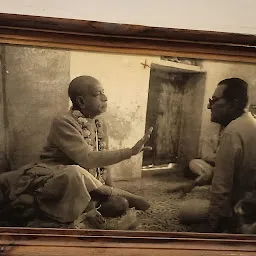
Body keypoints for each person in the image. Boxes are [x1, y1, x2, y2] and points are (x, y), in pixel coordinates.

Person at [0, 75, 153, 228]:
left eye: (103, 92)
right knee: (75, 172)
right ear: (81, 101)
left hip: (87, 185)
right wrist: (130, 152)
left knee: (120, 204)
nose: (105, 98)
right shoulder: (63, 122)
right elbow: (87, 159)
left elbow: (102, 162)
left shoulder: (100, 123)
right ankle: (60, 212)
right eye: (98, 94)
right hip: (59, 180)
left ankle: (85, 210)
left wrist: (113, 191)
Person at [179, 78, 256, 233]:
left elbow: (222, 187)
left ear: (233, 103)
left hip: (243, 209)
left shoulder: (232, 132)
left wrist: (214, 225)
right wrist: (196, 183)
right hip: (249, 202)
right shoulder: (249, 123)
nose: (209, 106)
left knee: (185, 211)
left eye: (214, 100)